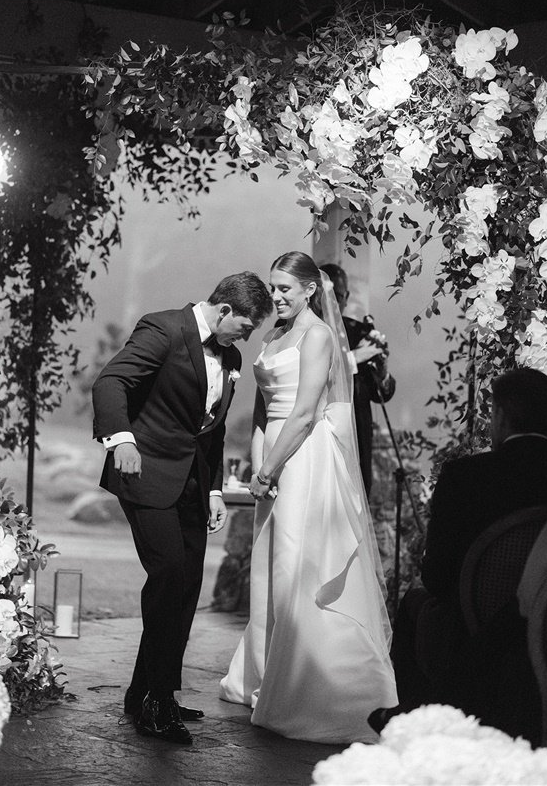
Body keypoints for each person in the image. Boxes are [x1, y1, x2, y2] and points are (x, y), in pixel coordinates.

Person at [219, 251, 397, 743]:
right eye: (273, 287)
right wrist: (258, 462)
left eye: (284, 289)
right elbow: (262, 408)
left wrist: (272, 467)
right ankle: (262, 666)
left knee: (298, 562)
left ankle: (308, 684)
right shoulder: (275, 333)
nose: (276, 296)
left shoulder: (319, 336)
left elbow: (302, 414)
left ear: (309, 290)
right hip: (271, 458)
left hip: (301, 457)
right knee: (272, 565)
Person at [92, 272, 273, 745]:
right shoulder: (164, 329)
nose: (247, 339)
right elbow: (111, 381)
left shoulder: (229, 357)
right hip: (144, 473)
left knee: (187, 586)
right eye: (247, 328)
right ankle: (157, 698)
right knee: (169, 574)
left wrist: (213, 491)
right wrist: (120, 440)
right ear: (225, 310)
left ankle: (147, 694)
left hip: (192, 487)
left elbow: (208, 432)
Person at [371, 367, 547, 739]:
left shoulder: (464, 476)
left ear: (500, 415)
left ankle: (414, 716)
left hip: (471, 629)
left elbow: (437, 576)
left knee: (415, 599)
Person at [320, 263, 395, 496]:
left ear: (347, 298)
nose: (333, 302)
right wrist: (355, 357)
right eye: (327, 296)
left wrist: (381, 370)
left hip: (357, 437)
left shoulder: (358, 331)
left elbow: (382, 394)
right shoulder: (296, 329)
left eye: (339, 296)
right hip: (321, 437)